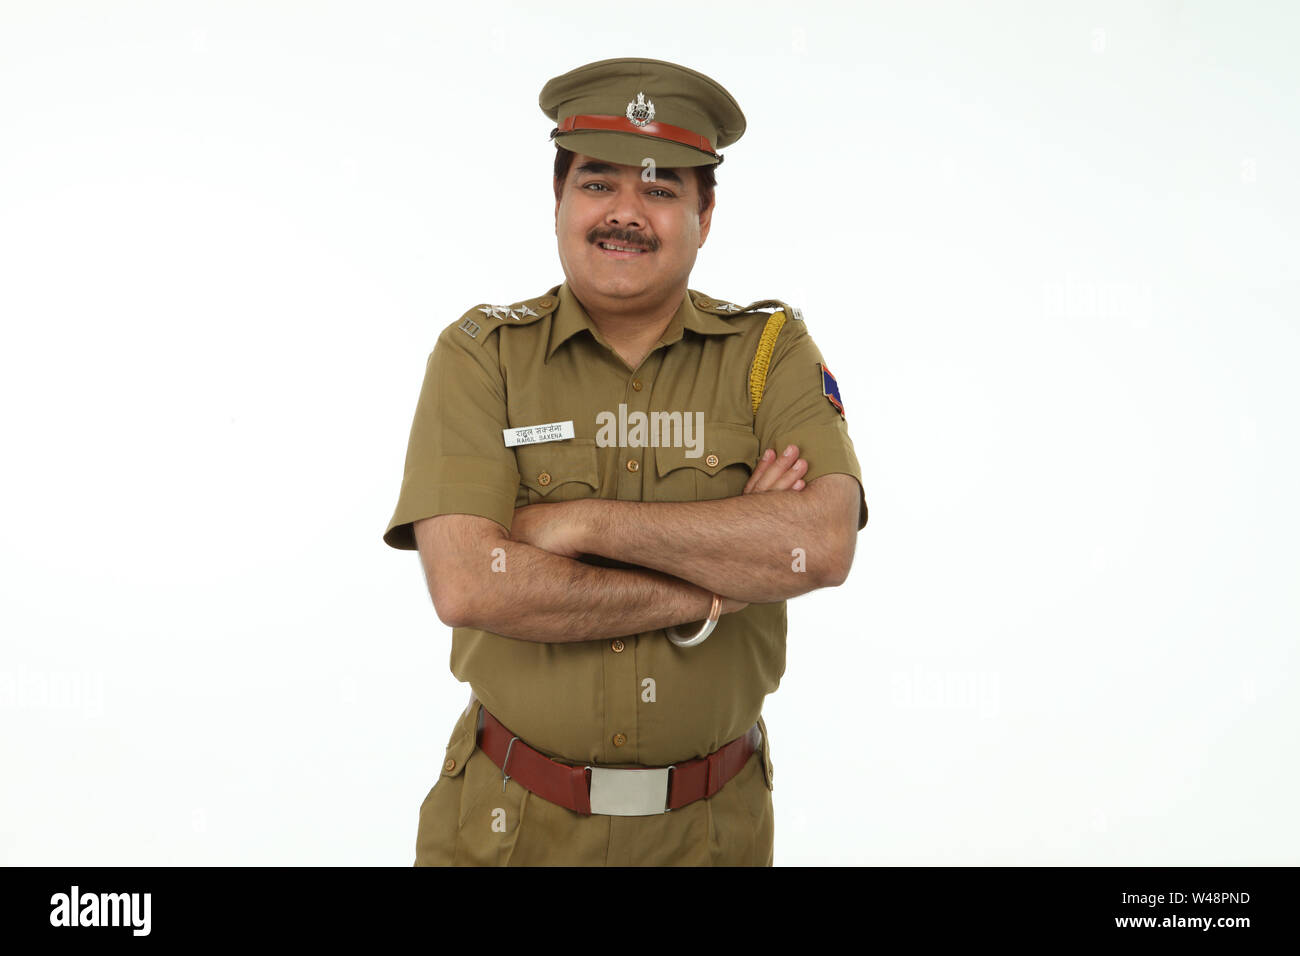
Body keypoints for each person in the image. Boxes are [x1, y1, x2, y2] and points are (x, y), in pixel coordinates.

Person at [382, 57, 868, 865]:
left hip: (713, 834)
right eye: (599, 184)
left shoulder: (770, 352)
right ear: (560, 199)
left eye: (661, 189)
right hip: (507, 828)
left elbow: (820, 543)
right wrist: (717, 585)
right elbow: (470, 583)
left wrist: (579, 523)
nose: (625, 214)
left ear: (706, 214)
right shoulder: (481, 357)